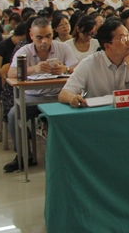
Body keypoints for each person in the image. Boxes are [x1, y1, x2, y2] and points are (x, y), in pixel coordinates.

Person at [4, 18, 78, 172]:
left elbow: (77, 69)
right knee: (14, 115)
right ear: (31, 35)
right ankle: (24, 155)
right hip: (33, 96)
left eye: (48, 36)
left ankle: (70, 155)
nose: (45, 41)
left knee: (76, 110)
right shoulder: (24, 51)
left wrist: (65, 69)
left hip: (59, 96)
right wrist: (33, 69)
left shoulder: (63, 48)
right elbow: (11, 73)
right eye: (39, 37)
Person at [58, 18, 129, 107]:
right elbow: (64, 93)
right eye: (123, 39)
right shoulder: (88, 63)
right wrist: (73, 98)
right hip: (98, 113)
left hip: (128, 110)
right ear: (107, 46)